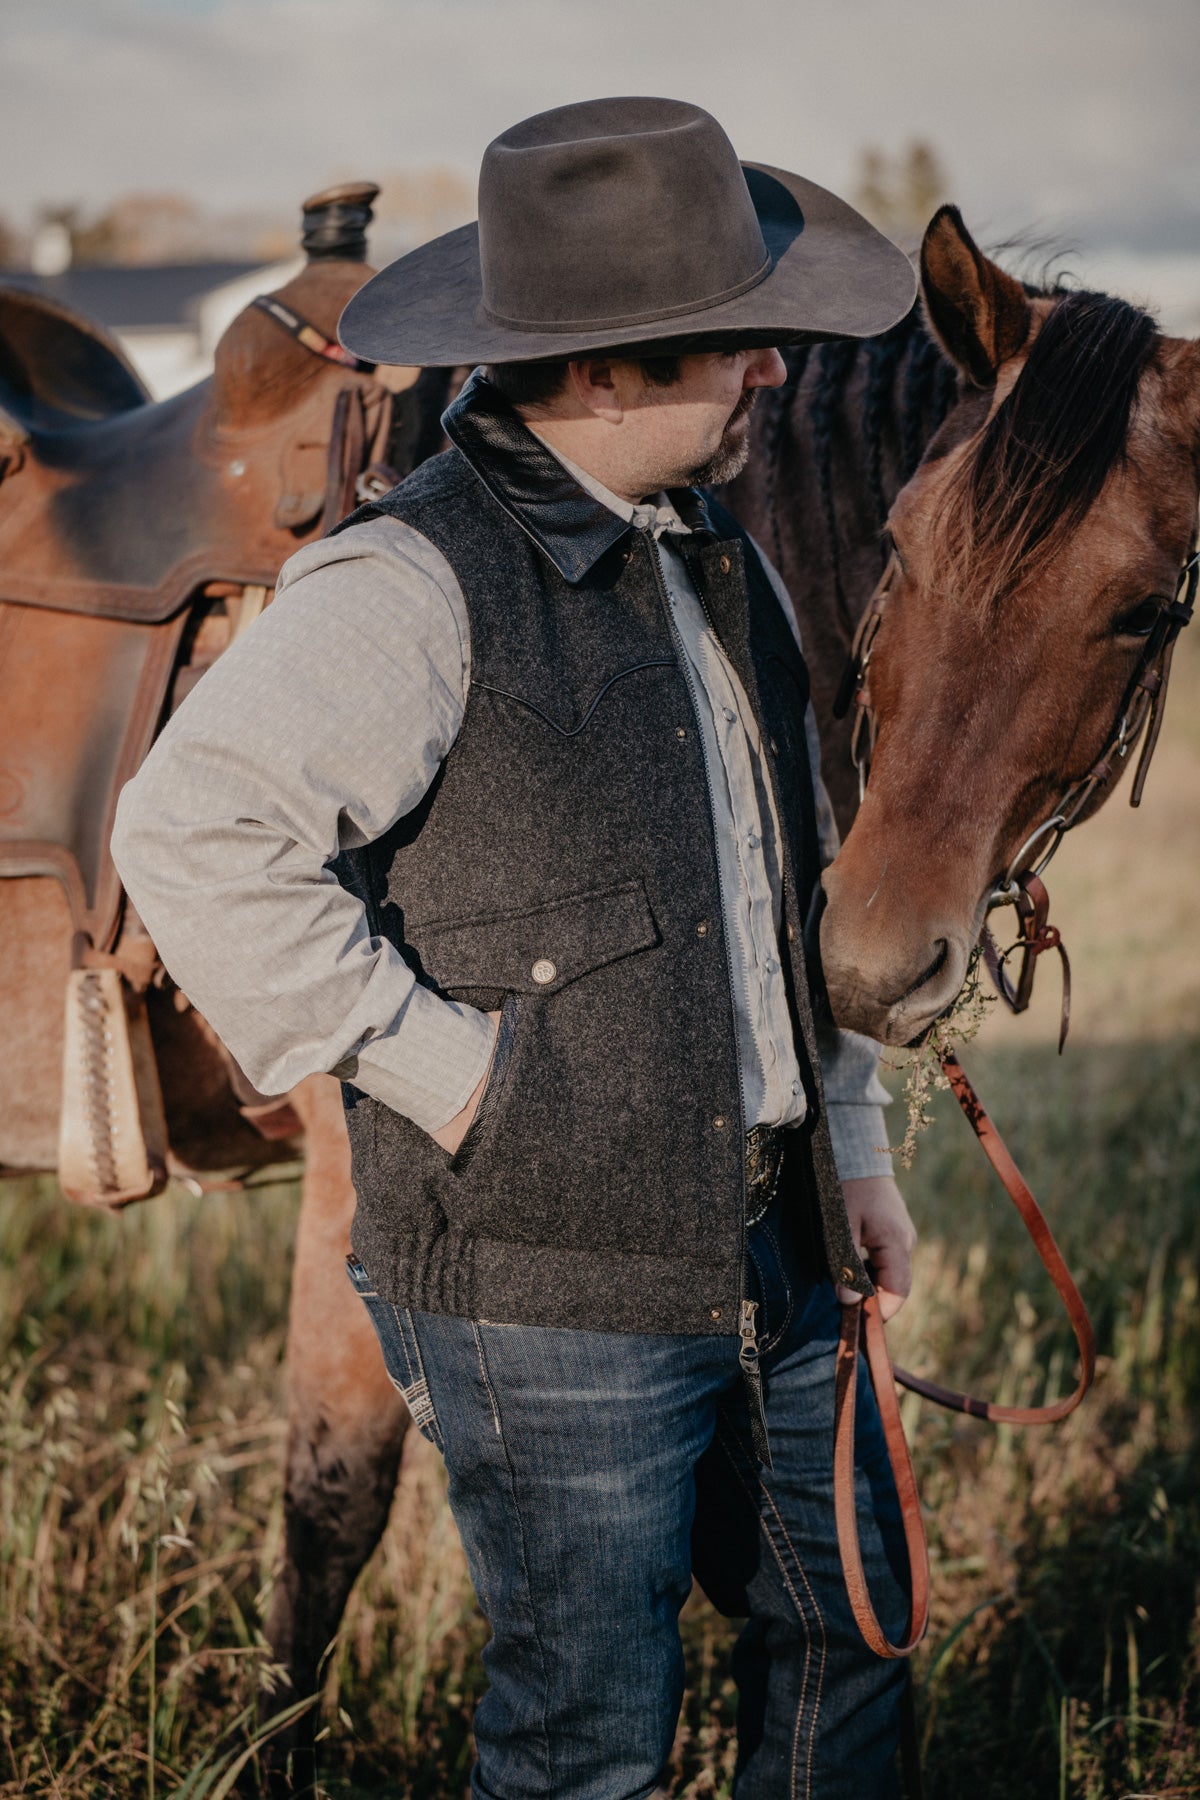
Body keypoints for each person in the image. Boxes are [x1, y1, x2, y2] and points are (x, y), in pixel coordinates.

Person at [113, 96, 921, 1799]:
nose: (776, 371)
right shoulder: (412, 583)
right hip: (546, 1292)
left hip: (778, 1246)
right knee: (584, 1742)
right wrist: (456, 1075)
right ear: (609, 372)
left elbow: (791, 874)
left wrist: (847, 1146)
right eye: (738, 344)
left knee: (848, 1644)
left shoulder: (729, 563)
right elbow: (188, 834)